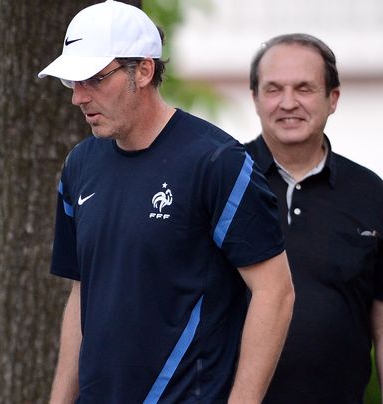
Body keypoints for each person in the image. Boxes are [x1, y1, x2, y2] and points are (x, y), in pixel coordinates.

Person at [38, 1, 295, 402]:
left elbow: (275, 293)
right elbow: (81, 293)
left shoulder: (216, 161)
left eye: (93, 79)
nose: (78, 98)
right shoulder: (80, 165)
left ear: (142, 69)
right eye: (72, 82)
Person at [246, 33, 383, 403]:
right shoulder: (221, 182)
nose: (288, 103)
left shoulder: (372, 194)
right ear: (255, 98)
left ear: (332, 98)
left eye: (304, 88)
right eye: (274, 89)